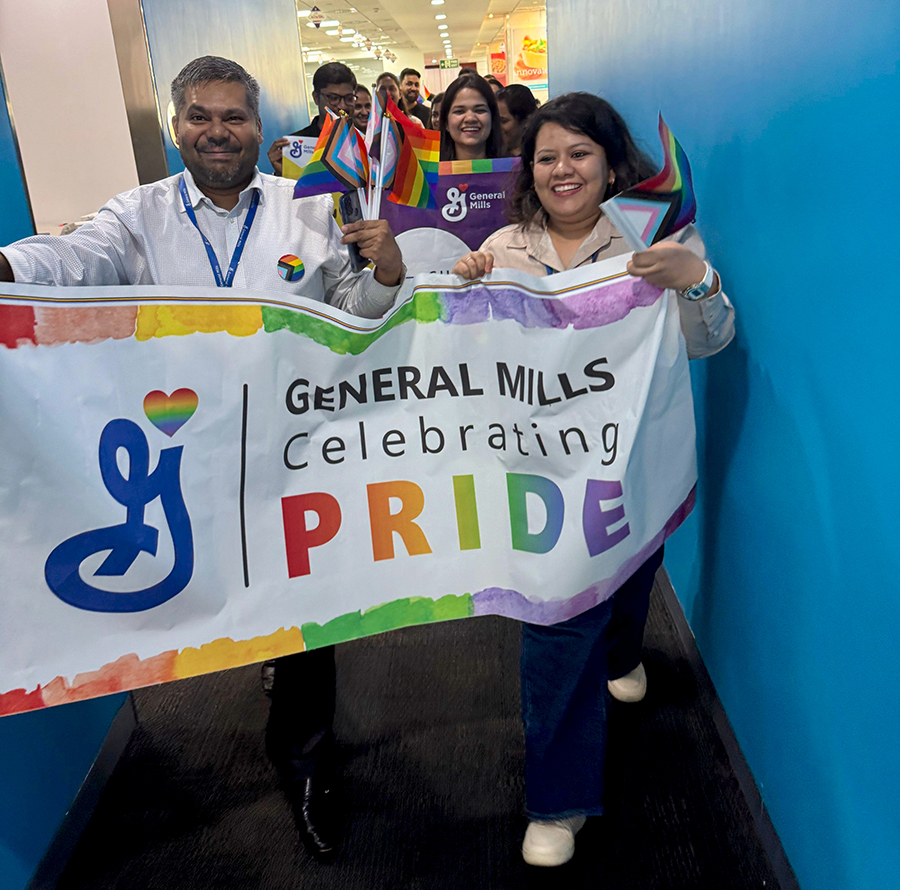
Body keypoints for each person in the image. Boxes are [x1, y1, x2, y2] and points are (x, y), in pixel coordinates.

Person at [0, 55, 406, 861]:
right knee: (180, 588)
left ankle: (307, 765)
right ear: (177, 125)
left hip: (291, 450)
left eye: (235, 117)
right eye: (201, 117)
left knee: (305, 610)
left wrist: (386, 276)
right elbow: (67, 259)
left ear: (260, 125)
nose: (219, 131)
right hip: (179, 453)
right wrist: (7, 267)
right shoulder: (137, 215)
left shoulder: (311, 208)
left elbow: (353, 311)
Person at [452, 92, 734, 867]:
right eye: (546, 157)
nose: (562, 169)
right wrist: (463, 290)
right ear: (529, 172)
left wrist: (695, 280)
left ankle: (623, 653)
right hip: (541, 480)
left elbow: (710, 342)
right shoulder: (506, 246)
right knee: (558, 620)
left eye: (578, 152)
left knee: (629, 582)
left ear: (611, 161)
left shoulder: (657, 238)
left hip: (633, 469)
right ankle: (557, 798)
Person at [266, 62, 357, 175]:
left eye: (349, 98)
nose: (342, 106)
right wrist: (282, 174)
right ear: (316, 97)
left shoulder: (364, 142)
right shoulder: (296, 146)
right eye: (333, 98)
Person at [438, 73, 503, 161]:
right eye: (459, 111)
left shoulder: (515, 170)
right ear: (446, 122)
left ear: (492, 117)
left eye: (480, 110)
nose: (470, 118)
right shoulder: (429, 172)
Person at [496, 84, 538, 157]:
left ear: (526, 121)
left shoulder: (538, 155)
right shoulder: (488, 153)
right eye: (494, 120)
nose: (496, 127)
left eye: (503, 121)